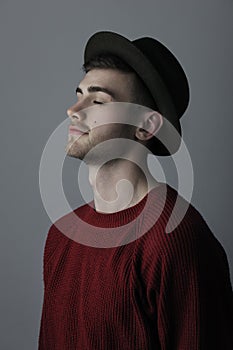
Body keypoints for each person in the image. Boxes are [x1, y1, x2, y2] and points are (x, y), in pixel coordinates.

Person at [38, 31, 233, 349]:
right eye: (79, 94)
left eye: (98, 100)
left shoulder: (176, 239)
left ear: (146, 126)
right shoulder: (60, 236)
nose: (74, 109)